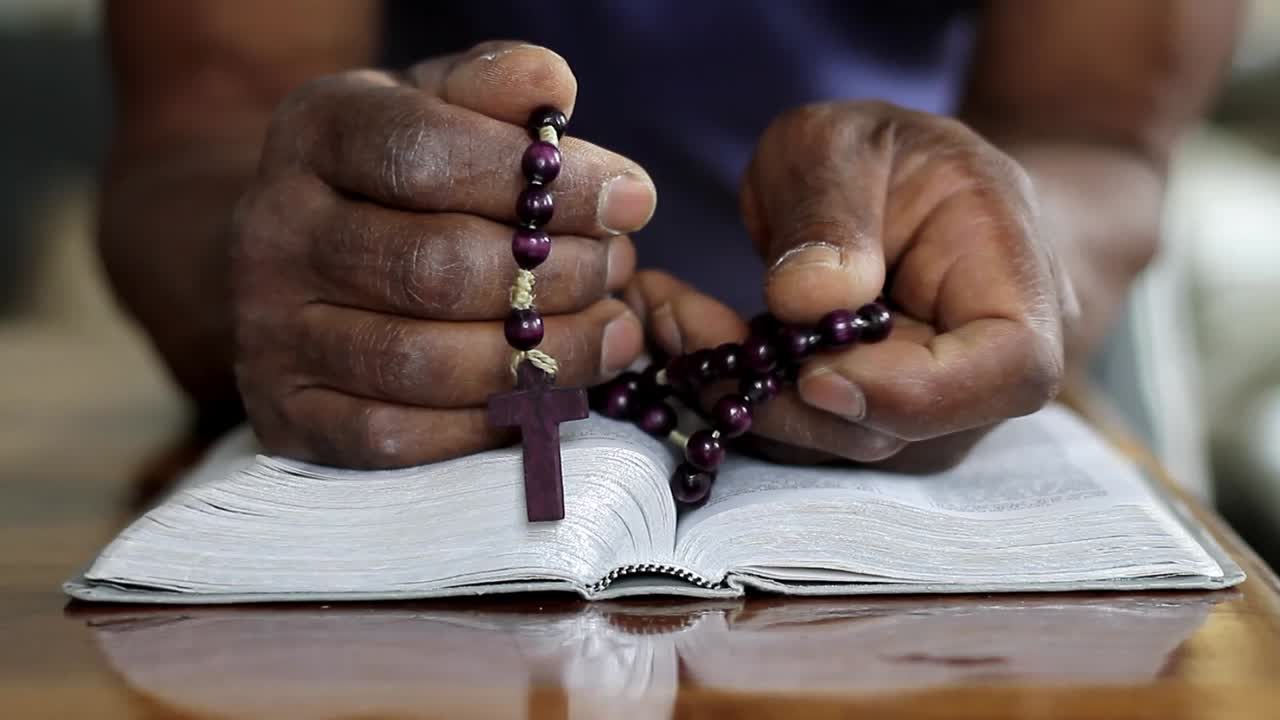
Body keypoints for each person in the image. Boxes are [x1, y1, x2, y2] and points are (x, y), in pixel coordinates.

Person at [98, 1, 1240, 472]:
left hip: (956, 426)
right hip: (371, 467)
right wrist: (292, 260)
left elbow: (1096, 139)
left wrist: (1010, 252)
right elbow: (199, 139)